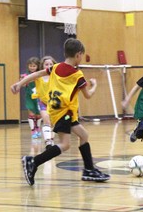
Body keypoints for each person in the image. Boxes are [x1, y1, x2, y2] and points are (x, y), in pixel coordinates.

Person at [11, 38, 110, 186]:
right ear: (78, 55)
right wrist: (94, 85)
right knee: (65, 144)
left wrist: (20, 83)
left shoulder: (56, 67)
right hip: (64, 112)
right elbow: (88, 95)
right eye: (81, 55)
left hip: (58, 111)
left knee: (84, 135)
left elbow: (37, 74)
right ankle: (33, 161)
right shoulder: (77, 75)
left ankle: (89, 170)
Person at [33, 56, 57, 148]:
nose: (49, 66)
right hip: (43, 101)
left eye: (51, 64)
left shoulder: (55, 76)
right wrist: (22, 82)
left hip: (54, 102)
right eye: (46, 64)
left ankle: (51, 139)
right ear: (42, 66)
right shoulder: (38, 76)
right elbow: (28, 78)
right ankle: (48, 141)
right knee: (46, 119)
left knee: (53, 123)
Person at [21, 57, 42, 139]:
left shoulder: (40, 75)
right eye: (30, 66)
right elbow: (22, 84)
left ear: (37, 66)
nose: (32, 67)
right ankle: (33, 130)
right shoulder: (25, 76)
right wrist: (26, 80)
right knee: (31, 114)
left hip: (39, 97)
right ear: (28, 66)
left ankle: (38, 128)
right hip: (29, 97)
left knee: (38, 115)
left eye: (34, 66)